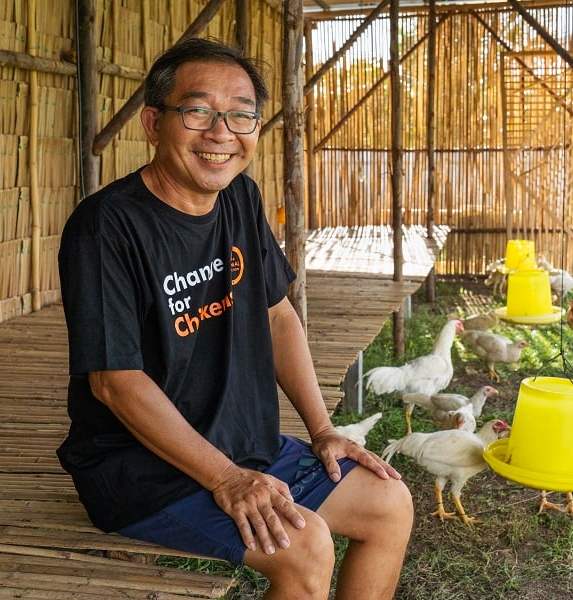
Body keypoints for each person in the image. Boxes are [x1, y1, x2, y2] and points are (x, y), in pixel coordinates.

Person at [57, 37, 413, 599]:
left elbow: (277, 317)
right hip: (140, 468)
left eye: (241, 115)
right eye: (198, 111)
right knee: (305, 545)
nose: (221, 132)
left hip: (243, 444)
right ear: (153, 123)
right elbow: (115, 383)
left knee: (389, 502)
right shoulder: (107, 227)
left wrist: (324, 431)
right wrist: (225, 478)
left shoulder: (240, 200)